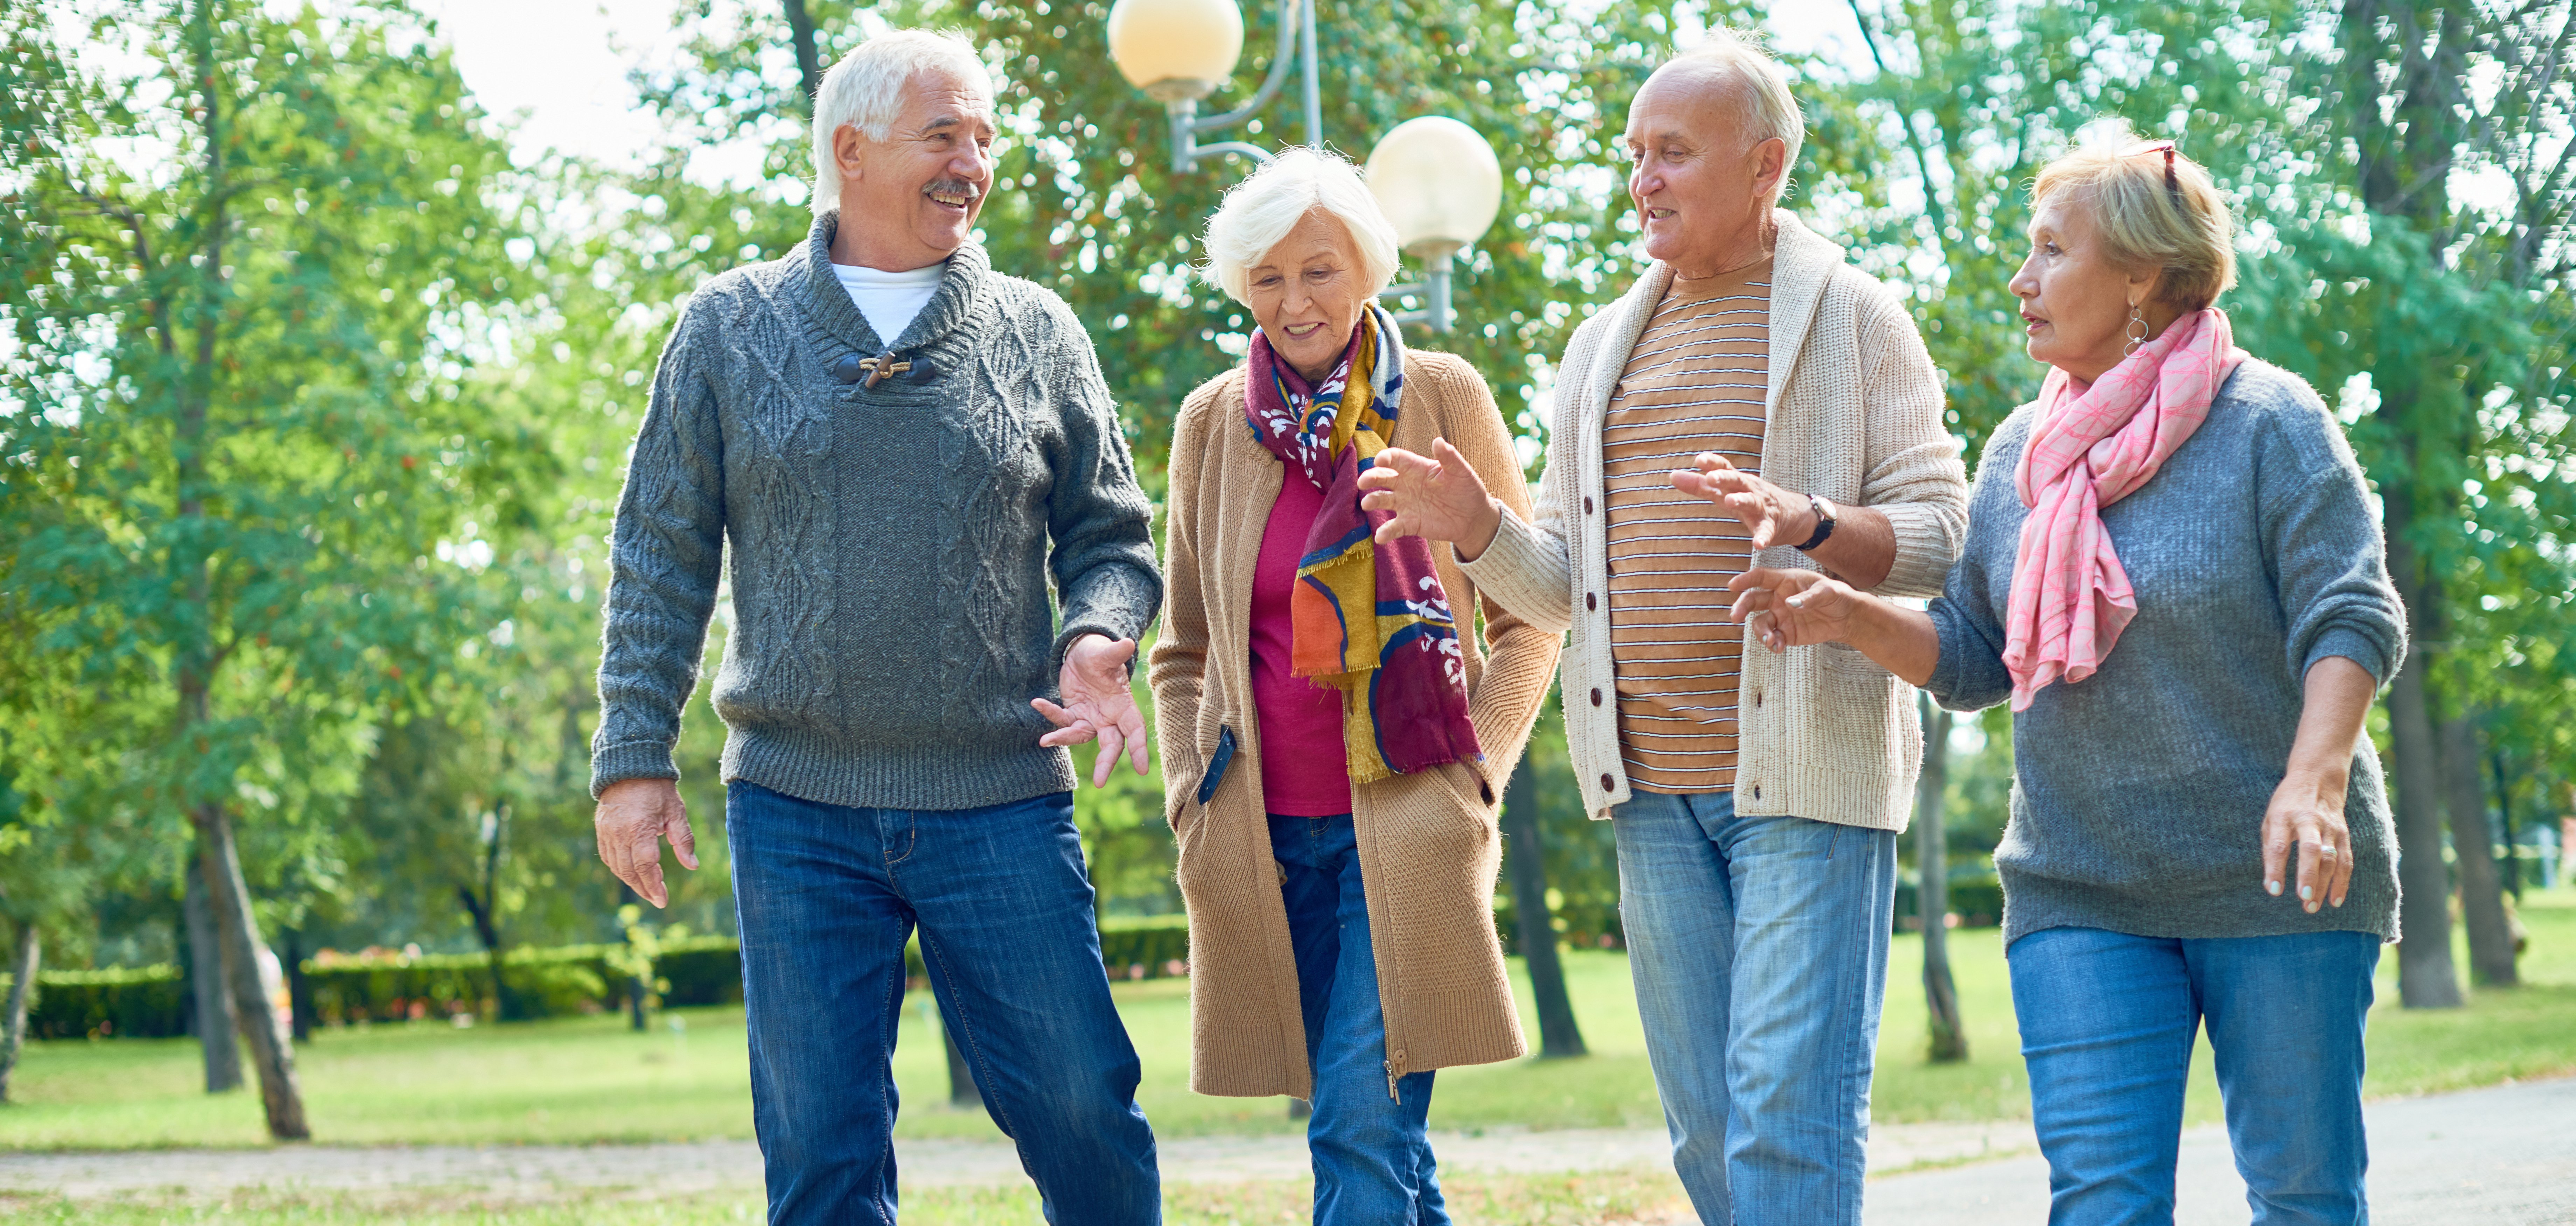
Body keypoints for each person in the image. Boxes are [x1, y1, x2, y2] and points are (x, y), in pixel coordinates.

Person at [1726, 135, 2406, 1225]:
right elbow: (1973, 653)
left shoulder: (2271, 424)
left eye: (2052, 252)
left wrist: (2315, 782)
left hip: (2278, 880)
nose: (2022, 280)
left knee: (2304, 1194)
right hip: (2082, 886)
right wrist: (1854, 618)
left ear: (2141, 278)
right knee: (2100, 1204)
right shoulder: (2021, 455)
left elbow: (2352, 613)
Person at [1355, 30, 1967, 1226]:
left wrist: (1817, 523)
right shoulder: (1601, 346)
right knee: (1704, 1136)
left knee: (1785, 1118)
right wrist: (1478, 529)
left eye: (1674, 152)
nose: (1643, 178)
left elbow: (1944, 527)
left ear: (1765, 165)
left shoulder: (1853, 316)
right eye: (1636, 154)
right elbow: (1566, 591)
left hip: (1805, 787)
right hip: (1646, 793)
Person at [587, 31, 1164, 1226]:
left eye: (986, 138)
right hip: (798, 806)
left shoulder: (1038, 329)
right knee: (819, 1156)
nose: (974, 162)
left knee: (1084, 1113)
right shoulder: (727, 329)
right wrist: (634, 762)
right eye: (944, 135)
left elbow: (1110, 537)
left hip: (999, 798)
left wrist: (1099, 637)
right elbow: (659, 556)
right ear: (850, 151)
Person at [1144, 149, 1561, 1225]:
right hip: (1267, 840)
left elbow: (1530, 615)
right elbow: (1184, 645)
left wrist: (1479, 769)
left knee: (1357, 1129)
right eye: (1269, 277)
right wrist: (1192, 790)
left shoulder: (1441, 396)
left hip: (1408, 827)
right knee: (1387, 1150)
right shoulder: (1210, 424)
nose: (1294, 302)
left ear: (1369, 270)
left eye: (1319, 271)